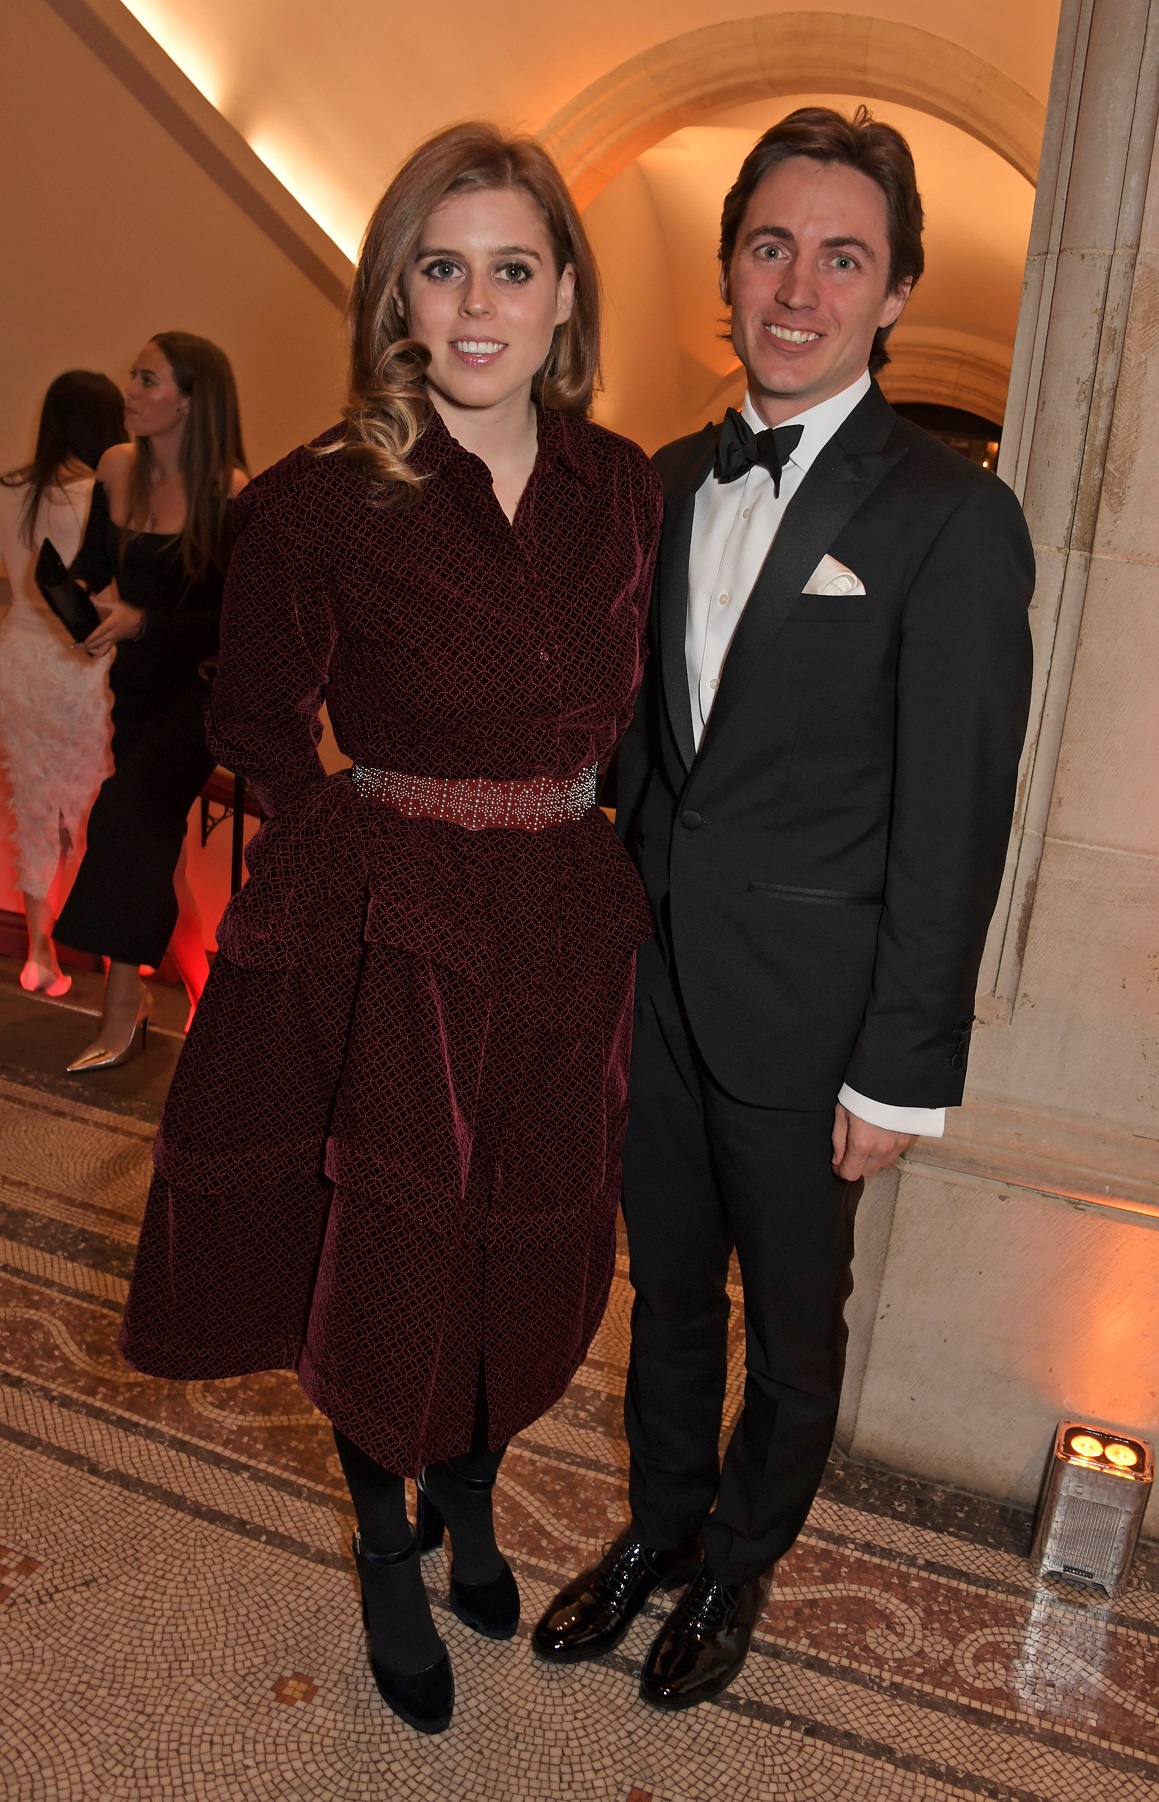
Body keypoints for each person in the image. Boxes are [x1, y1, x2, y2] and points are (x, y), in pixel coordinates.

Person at [118, 123, 661, 1736]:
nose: (478, 305)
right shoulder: (317, 497)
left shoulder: (622, 486)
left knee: (532, 1235)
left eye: (511, 267)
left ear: (564, 292)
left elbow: (632, 716)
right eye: (443, 269)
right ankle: (379, 1533)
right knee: (396, 1248)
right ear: (397, 299)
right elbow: (258, 716)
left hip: (566, 916)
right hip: (400, 923)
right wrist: (356, 867)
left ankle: (474, 1492)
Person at [533, 106, 1035, 1710]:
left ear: (894, 294)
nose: (799, 288)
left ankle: (738, 1572)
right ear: (730, 269)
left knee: (793, 1335)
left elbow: (956, 818)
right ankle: (658, 1534)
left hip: (820, 1027)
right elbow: (628, 747)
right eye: (772, 248)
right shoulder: (659, 481)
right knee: (663, 1295)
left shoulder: (952, 516)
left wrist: (901, 1070)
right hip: (654, 993)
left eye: (843, 257)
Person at [55, 332, 248, 1068]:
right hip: (133, 688)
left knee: (127, 812)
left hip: (199, 694)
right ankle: (138, 1003)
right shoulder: (116, 466)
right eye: (131, 376)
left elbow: (239, 619)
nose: (130, 391)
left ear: (192, 401)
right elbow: (94, 567)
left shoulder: (229, 491)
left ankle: (117, 1013)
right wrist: (79, 605)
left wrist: (146, 622)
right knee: (147, 836)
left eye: (148, 379)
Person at [0, 372, 127, 995]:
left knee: (32, 799)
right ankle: (108, 954)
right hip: (82, 663)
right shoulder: (102, 496)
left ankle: (39, 950)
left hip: (19, 658)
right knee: (88, 808)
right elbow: (106, 595)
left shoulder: (8, 487)